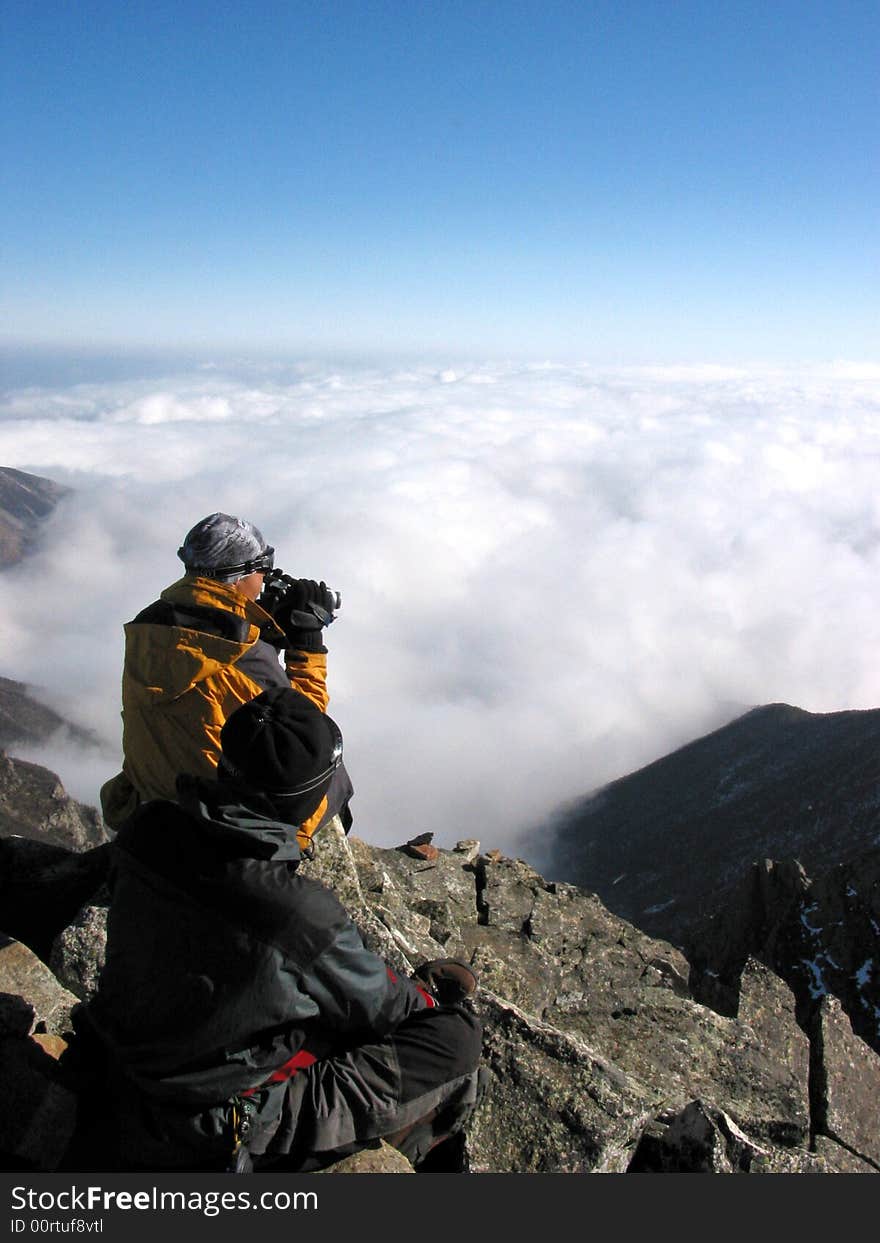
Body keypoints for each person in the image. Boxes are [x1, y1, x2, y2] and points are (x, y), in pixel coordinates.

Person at [82, 687, 483, 1173]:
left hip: (121, 1066)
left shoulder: (150, 828)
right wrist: (425, 1003)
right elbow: (382, 1009)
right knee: (457, 1038)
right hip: (210, 1121)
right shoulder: (298, 913)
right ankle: (414, 1152)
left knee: (311, 986)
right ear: (302, 801)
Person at [100, 512, 352, 853]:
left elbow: (209, 685)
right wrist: (307, 645)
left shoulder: (152, 625)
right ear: (239, 576)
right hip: (216, 818)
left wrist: (264, 632)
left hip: (153, 795)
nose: (264, 581)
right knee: (331, 770)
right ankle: (299, 854)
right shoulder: (241, 655)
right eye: (262, 569)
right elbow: (302, 735)